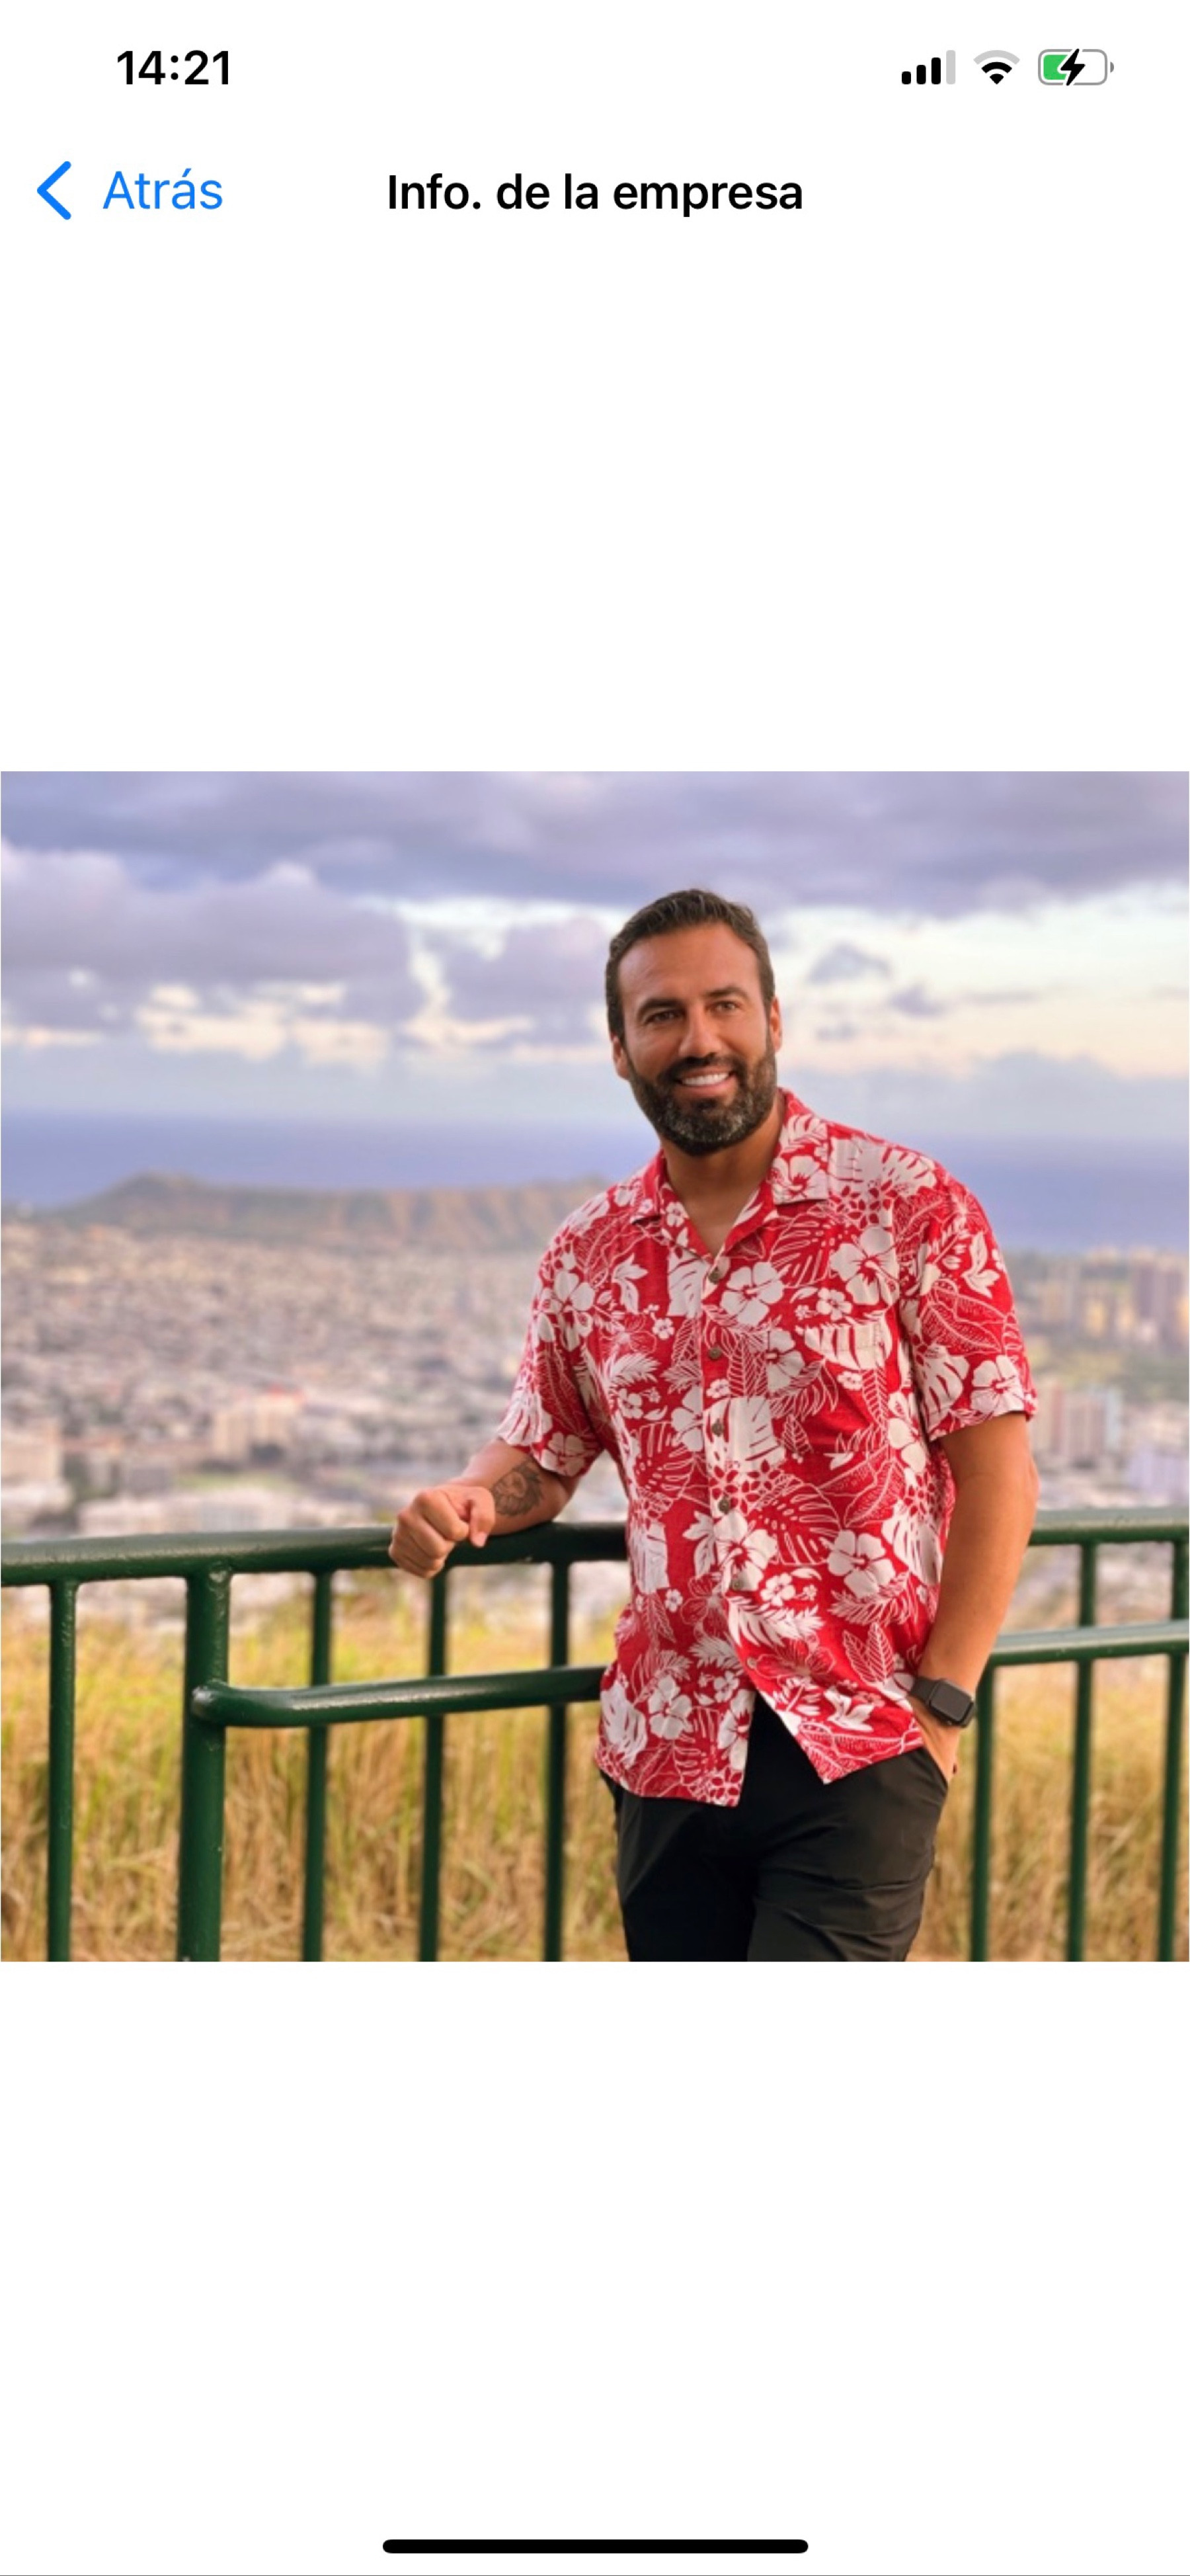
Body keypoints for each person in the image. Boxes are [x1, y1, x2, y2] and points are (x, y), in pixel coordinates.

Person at [389, 888, 1040, 1960]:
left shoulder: (908, 1205)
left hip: (860, 1739)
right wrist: (467, 1499)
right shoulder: (589, 1251)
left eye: (724, 1005)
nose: (699, 1040)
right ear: (620, 1049)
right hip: (667, 1749)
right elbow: (542, 1453)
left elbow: (1000, 1473)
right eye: (662, 1015)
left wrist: (942, 1705)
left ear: (772, 1021)